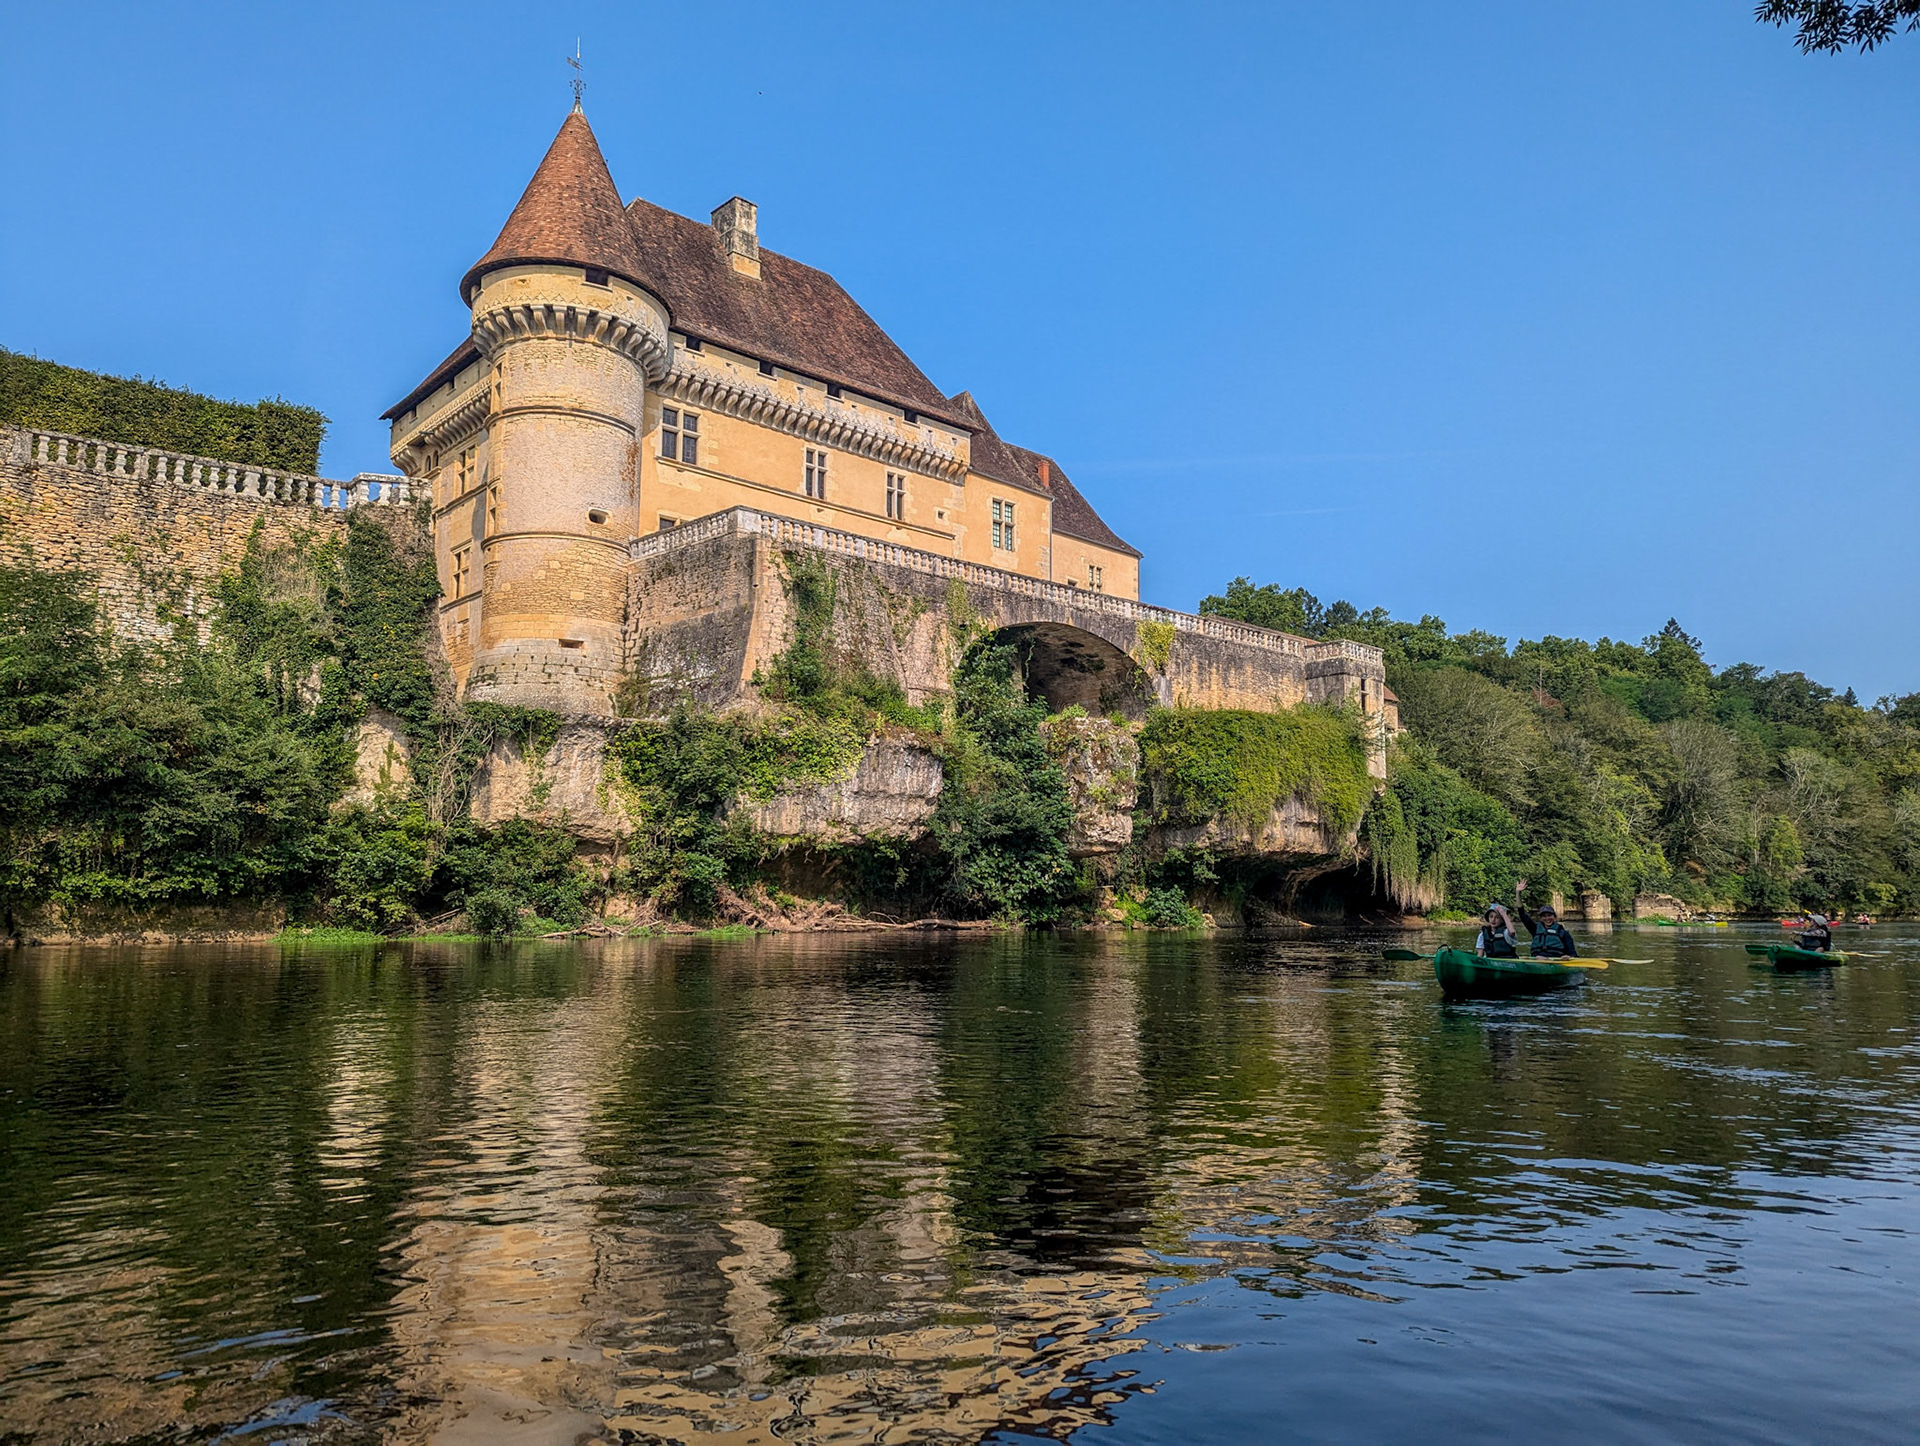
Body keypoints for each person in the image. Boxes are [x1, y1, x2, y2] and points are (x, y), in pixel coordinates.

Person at [1513, 880, 1578, 958]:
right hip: (1537, 959)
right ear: (1540, 918)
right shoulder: (1535, 929)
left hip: (1555, 961)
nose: (1547, 918)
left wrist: (1569, 957)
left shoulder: (1563, 933)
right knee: (1528, 957)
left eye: (1549, 915)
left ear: (1554, 917)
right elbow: (1522, 913)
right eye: (1544, 916)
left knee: (1540, 958)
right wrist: (1518, 893)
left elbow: (1573, 954)